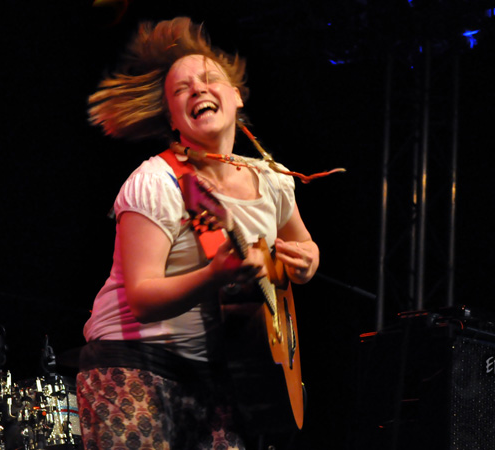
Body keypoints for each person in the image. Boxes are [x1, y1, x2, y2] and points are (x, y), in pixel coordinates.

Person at [76, 16, 320, 450]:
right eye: (182, 89)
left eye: (210, 79)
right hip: (131, 364)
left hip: (218, 372)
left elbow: (303, 243)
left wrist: (305, 263)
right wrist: (213, 275)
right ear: (172, 118)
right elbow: (143, 299)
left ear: (237, 96)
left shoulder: (275, 179)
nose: (199, 89)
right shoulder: (157, 182)